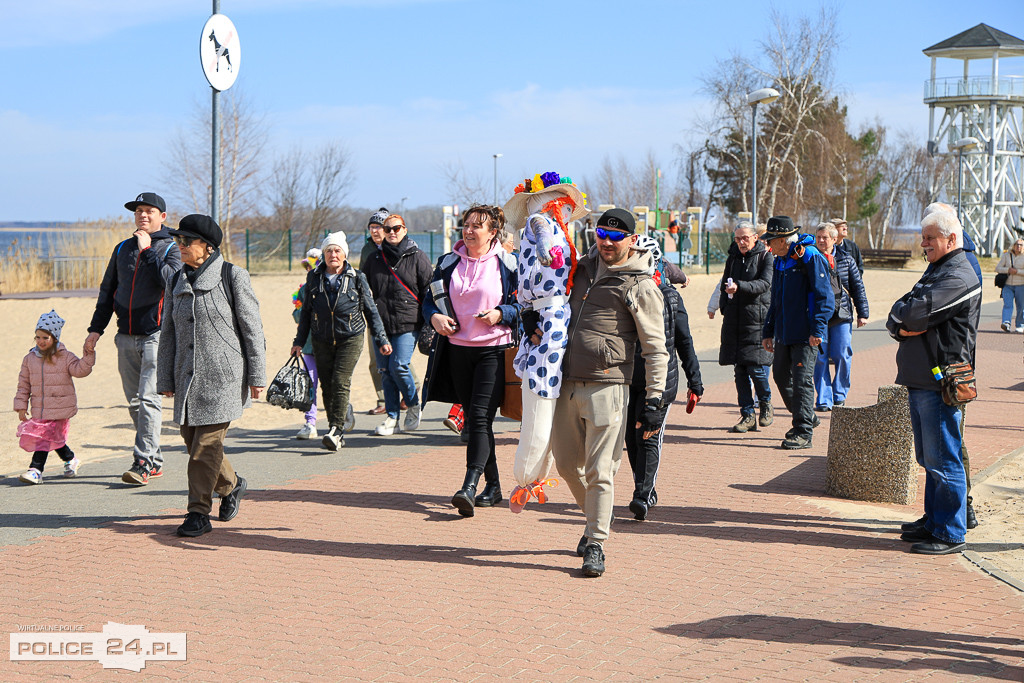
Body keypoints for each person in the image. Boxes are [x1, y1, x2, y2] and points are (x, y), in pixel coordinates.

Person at [549, 208, 669, 577]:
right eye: (602, 234)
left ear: (632, 240)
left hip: (609, 385)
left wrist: (654, 399)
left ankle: (596, 543)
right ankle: (594, 521)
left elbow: (655, 347)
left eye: (616, 236)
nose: (607, 242)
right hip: (566, 383)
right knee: (567, 465)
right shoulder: (580, 269)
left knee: (602, 471)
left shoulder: (640, 285)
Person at [156, 215, 266, 538]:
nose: (180, 246)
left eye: (185, 241)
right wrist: (165, 379)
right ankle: (231, 485)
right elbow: (168, 334)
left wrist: (257, 375)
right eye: (178, 240)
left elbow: (253, 330)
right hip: (187, 379)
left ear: (206, 247)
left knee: (205, 448)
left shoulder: (233, 276)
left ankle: (197, 513)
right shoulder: (176, 279)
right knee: (194, 443)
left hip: (224, 378)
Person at [886, 209, 981, 554]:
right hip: (923, 377)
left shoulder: (959, 274)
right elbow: (901, 312)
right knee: (930, 458)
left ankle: (951, 532)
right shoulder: (939, 268)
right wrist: (900, 321)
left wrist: (902, 319)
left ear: (950, 239)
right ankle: (934, 520)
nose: (923, 243)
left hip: (940, 381)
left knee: (945, 458)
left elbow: (910, 312)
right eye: (923, 237)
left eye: (929, 238)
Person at [422, 205, 520, 518]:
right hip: (456, 351)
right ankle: (494, 486)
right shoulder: (447, 262)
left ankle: (469, 485)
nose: (469, 230)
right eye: (466, 225)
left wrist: (500, 314)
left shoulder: (508, 263)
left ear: (493, 232)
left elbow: (522, 305)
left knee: (477, 419)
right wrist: (435, 316)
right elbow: (429, 301)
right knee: (480, 423)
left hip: (493, 350)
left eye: (477, 226)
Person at [502, 172, 587, 512]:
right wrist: (543, 246)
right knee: (541, 396)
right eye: (563, 203)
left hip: (555, 316)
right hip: (548, 317)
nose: (568, 209)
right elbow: (538, 229)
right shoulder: (543, 223)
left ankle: (535, 477)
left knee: (550, 403)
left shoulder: (558, 231)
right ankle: (525, 477)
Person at [85, 192, 181, 486]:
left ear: (162, 216)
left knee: (149, 400)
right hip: (124, 335)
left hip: (157, 336)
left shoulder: (171, 249)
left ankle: (141, 463)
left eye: (149, 211)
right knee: (135, 404)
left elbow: (172, 282)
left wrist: (148, 250)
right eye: (139, 210)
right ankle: (155, 460)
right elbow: (108, 291)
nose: (142, 215)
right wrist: (95, 330)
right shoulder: (122, 249)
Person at [624, 234, 702, 521]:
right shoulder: (625, 293)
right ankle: (642, 486)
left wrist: (695, 382)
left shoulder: (670, 296)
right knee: (631, 440)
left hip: (660, 382)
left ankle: (644, 494)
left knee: (648, 437)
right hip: (630, 380)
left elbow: (685, 342)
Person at [292, 232, 391, 451]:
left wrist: (381, 338)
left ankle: (337, 430)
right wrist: (299, 341)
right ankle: (334, 427)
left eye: (337, 250)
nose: (333, 255)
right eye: (328, 251)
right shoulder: (314, 278)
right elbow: (306, 312)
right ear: (323, 255)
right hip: (321, 338)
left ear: (344, 254)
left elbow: (371, 312)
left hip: (350, 337)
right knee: (327, 385)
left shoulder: (357, 277)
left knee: (339, 381)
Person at [761, 216, 834, 450]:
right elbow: (775, 300)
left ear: (782, 239)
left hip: (806, 334)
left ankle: (803, 431)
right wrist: (768, 331)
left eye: (771, 240)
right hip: (783, 332)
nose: (768, 245)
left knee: (802, 383)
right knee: (781, 376)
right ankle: (807, 417)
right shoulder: (779, 259)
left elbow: (824, 296)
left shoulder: (810, 256)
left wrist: (818, 329)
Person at [363, 213, 433, 436]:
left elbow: (428, 290)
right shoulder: (374, 259)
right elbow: (364, 291)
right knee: (384, 370)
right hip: (380, 323)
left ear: (404, 230)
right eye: (388, 229)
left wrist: (429, 320)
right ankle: (392, 417)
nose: (392, 232)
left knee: (399, 365)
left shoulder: (417, 256)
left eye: (397, 228)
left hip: (408, 321)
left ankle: (413, 404)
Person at [14, 311, 95, 484]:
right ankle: (70, 459)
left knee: (43, 438)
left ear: (55, 338)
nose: (40, 341)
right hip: (40, 408)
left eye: (45, 337)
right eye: (37, 337)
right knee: (53, 439)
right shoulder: (29, 359)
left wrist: (88, 356)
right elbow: (24, 384)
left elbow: (80, 370)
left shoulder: (65, 357)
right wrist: (21, 406)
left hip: (60, 407)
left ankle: (35, 470)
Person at [713, 221, 774, 433]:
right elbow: (723, 284)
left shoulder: (766, 257)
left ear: (755, 237)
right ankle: (747, 415)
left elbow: (765, 284)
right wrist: (724, 305)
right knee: (739, 371)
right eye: (737, 238)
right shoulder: (733, 258)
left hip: (756, 321)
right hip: (734, 321)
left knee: (756, 368)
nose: (741, 242)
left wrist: (740, 287)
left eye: (745, 238)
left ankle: (766, 404)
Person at [813, 222, 869, 411]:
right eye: (818, 237)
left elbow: (857, 287)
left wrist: (863, 313)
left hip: (842, 314)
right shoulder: (809, 260)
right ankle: (823, 398)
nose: (821, 241)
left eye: (825, 237)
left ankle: (839, 394)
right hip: (818, 316)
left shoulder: (847, 260)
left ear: (834, 239)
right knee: (820, 358)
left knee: (842, 354)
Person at [292, 248, 325, 439]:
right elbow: (298, 318)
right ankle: (310, 422)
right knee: (310, 384)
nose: (309, 269)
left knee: (333, 384)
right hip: (310, 346)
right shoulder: (304, 289)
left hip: (331, 345)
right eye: (307, 266)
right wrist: (298, 307)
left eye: (312, 265)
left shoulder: (332, 284)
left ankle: (343, 413)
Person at [360, 208, 390, 415]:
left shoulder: (398, 247)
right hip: (373, 309)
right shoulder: (367, 250)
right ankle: (383, 398)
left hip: (397, 310)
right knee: (375, 357)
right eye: (372, 227)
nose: (375, 231)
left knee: (397, 357)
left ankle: (410, 391)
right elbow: (361, 278)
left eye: (378, 227)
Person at [996, 237, 1024, 333]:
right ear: (1013, 245)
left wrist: (1017, 271)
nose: (1018, 246)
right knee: (1007, 305)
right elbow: (998, 268)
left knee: (1021, 306)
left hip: (1021, 285)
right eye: (1017, 244)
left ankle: (1020, 325)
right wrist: (1008, 270)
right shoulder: (1006, 255)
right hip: (1007, 285)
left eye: (1021, 245)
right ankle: (1006, 323)